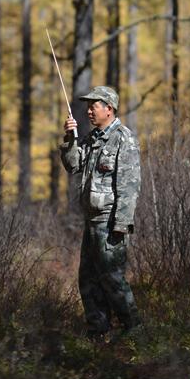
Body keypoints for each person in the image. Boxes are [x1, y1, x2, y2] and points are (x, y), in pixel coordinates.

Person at [60, 85, 141, 340]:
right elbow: (72, 165)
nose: (88, 111)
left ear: (109, 108)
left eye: (93, 106)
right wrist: (71, 138)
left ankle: (135, 332)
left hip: (110, 223)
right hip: (92, 222)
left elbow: (129, 185)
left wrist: (121, 224)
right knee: (88, 280)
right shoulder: (92, 138)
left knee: (113, 280)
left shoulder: (123, 139)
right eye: (88, 106)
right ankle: (99, 333)